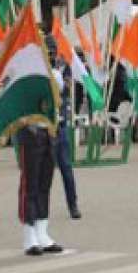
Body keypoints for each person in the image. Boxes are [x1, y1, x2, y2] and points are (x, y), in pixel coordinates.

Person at [17, 79, 62, 257]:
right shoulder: (26, 75)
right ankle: (29, 235)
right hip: (31, 132)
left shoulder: (53, 75)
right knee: (30, 184)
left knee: (45, 184)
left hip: (49, 131)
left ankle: (42, 231)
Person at [52, 53, 82, 220]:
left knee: (66, 168)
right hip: (45, 127)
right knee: (43, 172)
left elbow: (67, 88)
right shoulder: (42, 71)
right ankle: (40, 209)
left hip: (60, 126)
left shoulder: (64, 70)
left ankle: (73, 205)